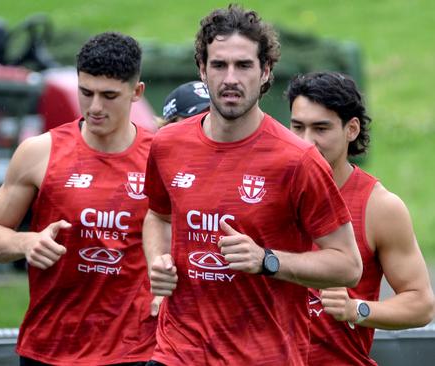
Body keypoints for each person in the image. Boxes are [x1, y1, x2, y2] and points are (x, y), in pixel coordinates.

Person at [142, 5, 363, 365]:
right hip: (177, 351)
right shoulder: (167, 144)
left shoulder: (298, 160)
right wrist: (158, 261)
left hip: (262, 355)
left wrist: (267, 260)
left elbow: (348, 266)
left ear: (265, 72)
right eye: (219, 65)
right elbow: (158, 216)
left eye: (243, 65)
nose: (231, 78)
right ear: (202, 69)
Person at [0, 32, 156, 365]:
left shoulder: (160, 155)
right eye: (85, 92)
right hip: (50, 347)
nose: (95, 107)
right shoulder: (39, 152)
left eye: (109, 96)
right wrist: (26, 243)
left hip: (135, 350)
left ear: (136, 93)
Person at [286, 71, 435, 365]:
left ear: (351, 129)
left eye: (321, 128)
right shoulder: (264, 194)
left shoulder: (380, 207)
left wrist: (356, 309)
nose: (306, 141)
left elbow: (421, 304)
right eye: (297, 127)